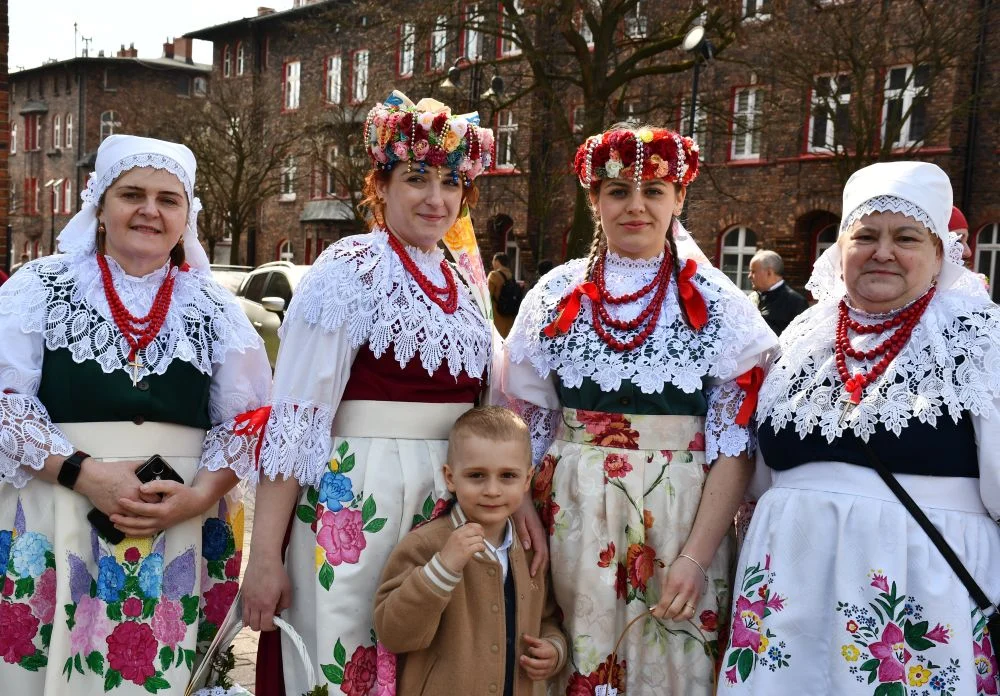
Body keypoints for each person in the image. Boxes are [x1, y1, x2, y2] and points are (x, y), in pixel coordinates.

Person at [242, 92, 545, 696]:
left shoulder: (464, 282)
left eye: (451, 182)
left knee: (436, 661)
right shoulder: (347, 269)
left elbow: (491, 414)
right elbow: (296, 422)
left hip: (448, 503)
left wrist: (523, 506)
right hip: (356, 500)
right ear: (381, 185)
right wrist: (265, 556)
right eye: (417, 178)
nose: (437, 198)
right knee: (348, 655)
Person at [502, 124, 778, 695]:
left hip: (678, 526)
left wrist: (698, 557)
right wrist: (521, 505)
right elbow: (526, 419)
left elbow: (735, 448)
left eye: (653, 191)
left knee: (671, 671)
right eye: (618, 191)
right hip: (570, 516)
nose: (636, 206)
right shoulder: (555, 296)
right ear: (595, 200)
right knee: (569, 654)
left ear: (678, 199)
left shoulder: (718, 303)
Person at [0, 134, 271, 694]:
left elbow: (247, 420)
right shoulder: (41, 288)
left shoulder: (214, 307)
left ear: (185, 218)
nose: (150, 210)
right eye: (132, 195)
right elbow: (5, 402)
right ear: (100, 207)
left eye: (168, 200)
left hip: (175, 525)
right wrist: (82, 472)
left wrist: (197, 497)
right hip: (59, 509)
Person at [719, 161, 1000, 693]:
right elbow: (756, 474)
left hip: (919, 596)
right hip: (789, 593)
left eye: (907, 237)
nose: (883, 251)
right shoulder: (803, 335)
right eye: (865, 235)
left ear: (940, 251)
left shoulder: (980, 338)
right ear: (840, 249)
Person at [374, 406, 567, 695]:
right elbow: (393, 633)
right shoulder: (426, 544)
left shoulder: (528, 551)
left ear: (527, 481)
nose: (492, 490)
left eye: (507, 476)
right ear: (451, 477)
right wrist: (442, 569)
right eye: (477, 475)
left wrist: (554, 649)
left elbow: (546, 618)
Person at [748, 249, 808, 335]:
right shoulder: (752, 298)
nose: (749, 276)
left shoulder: (796, 302)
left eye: (753, 271)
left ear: (769, 272)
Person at [489, 251, 520, 337]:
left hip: (497, 315)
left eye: (493, 260)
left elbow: (487, 296)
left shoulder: (493, 275)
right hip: (509, 315)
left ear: (497, 261)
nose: (492, 262)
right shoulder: (511, 276)